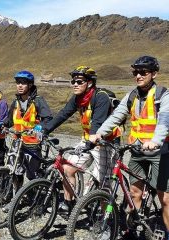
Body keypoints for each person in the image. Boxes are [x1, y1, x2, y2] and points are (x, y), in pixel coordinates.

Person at [90, 56, 169, 240]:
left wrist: (156, 140)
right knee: (134, 192)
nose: (138, 75)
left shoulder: (164, 96)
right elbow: (116, 117)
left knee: (164, 196)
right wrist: (99, 133)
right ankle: (133, 230)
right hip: (137, 151)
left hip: (160, 152)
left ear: (154, 74)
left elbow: (165, 120)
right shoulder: (131, 96)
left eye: (143, 72)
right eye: (135, 72)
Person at [43, 66, 122, 212]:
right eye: (73, 81)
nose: (74, 84)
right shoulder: (78, 98)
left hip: (107, 143)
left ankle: (107, 219)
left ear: (90, 83)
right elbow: (63, 114)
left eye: (79, 82)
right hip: (88, 141)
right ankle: (68, 204)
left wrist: (90, 141)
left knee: (104, 184)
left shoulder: (101, 97)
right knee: (67, 169)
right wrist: (44, 130)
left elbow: (98, 122)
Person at [0, 70, 53, 193]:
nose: (19, 85)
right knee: (14, 170)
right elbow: (9, 120)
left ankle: (37, 197)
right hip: (17, 142)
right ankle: (15, 198)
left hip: (33, 144)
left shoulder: (38, 101)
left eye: (23, 83)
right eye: (18, 83)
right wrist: (2, 124)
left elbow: (48, 118)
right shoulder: (16, 102)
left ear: (30, 85)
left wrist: (39, 128)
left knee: (31, 174)